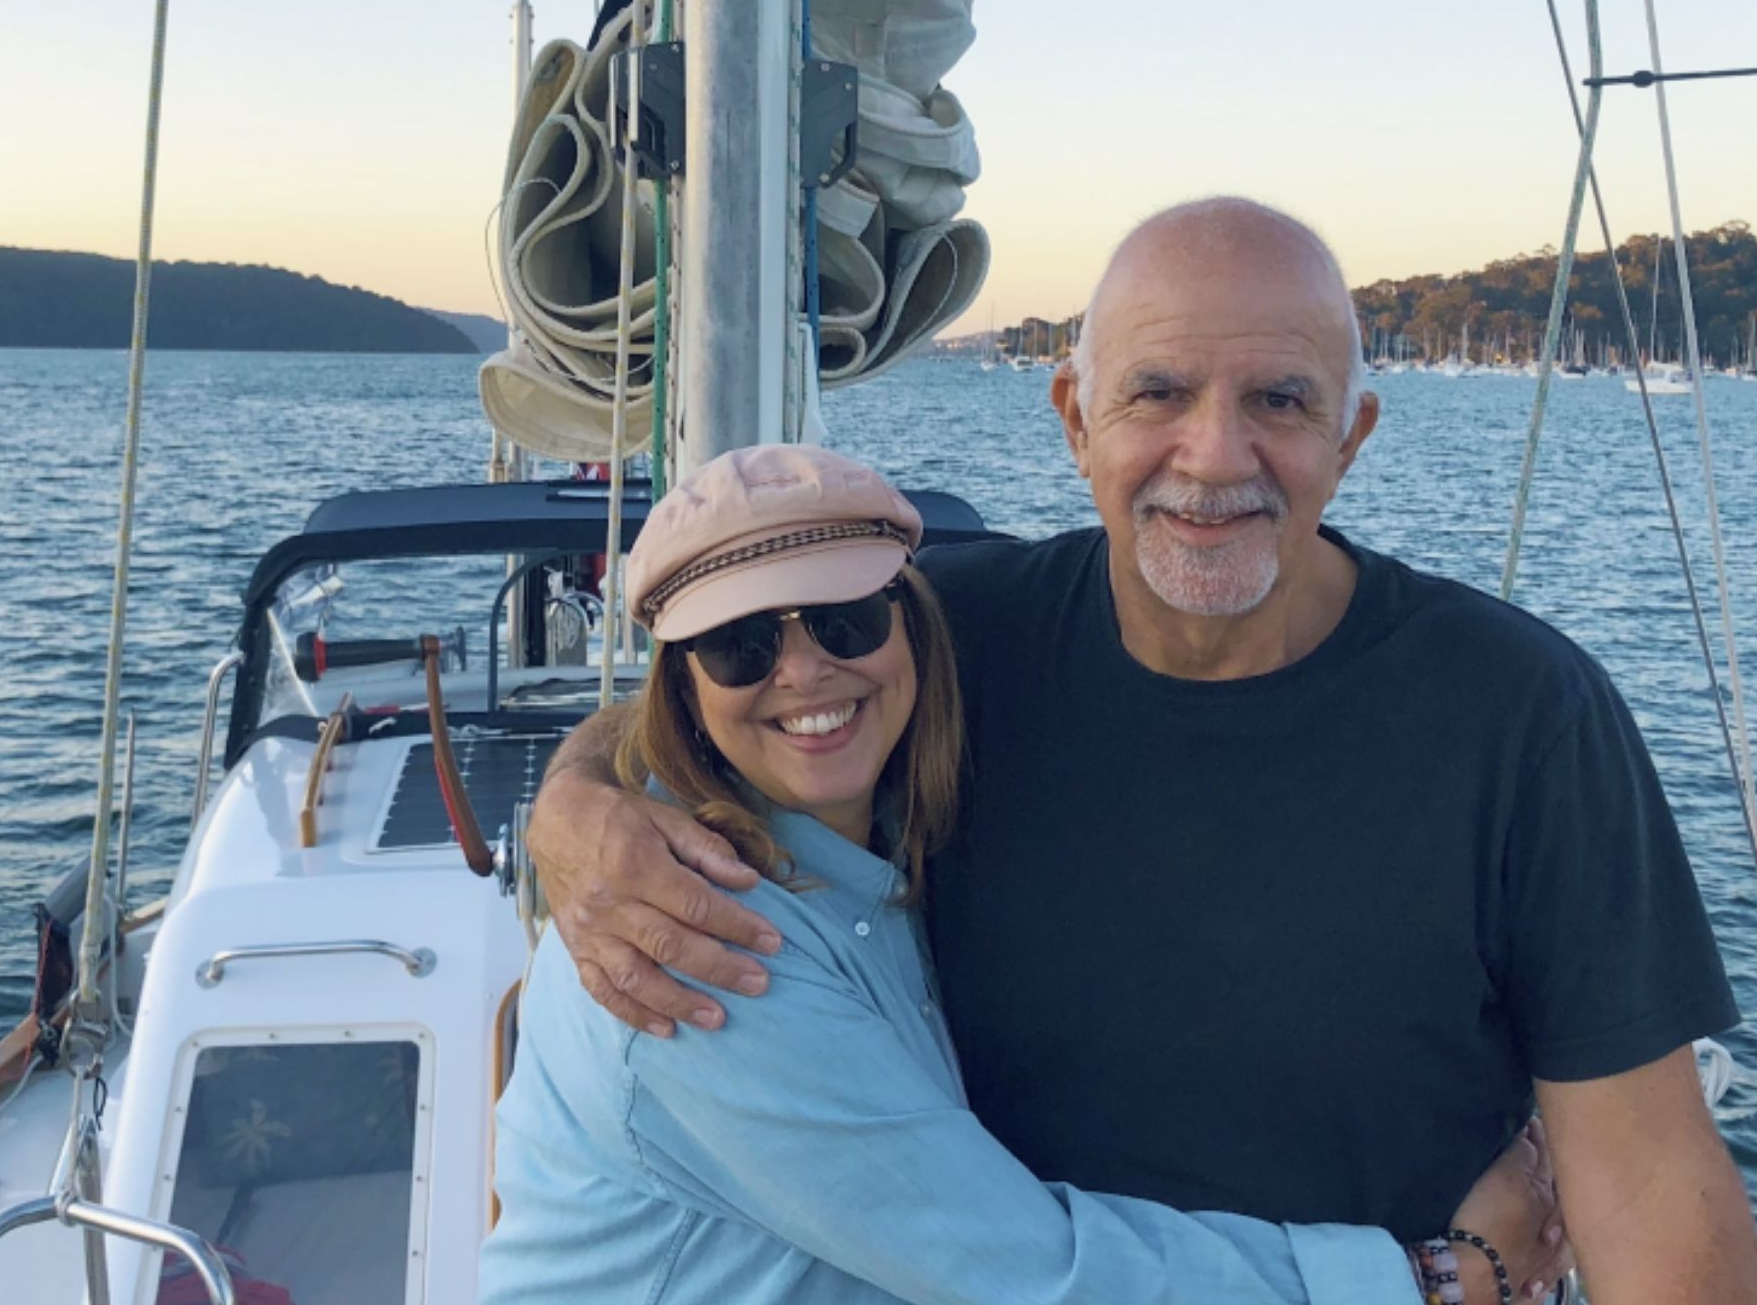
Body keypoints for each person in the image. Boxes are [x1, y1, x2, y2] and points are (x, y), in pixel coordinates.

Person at [526, 199, 1757, 1303]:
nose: (1214, 457)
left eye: (1280, 401)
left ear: (1353, 437)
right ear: (1076, 419)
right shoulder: (951, 637)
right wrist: (575, 801)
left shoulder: (1519, 711)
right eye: (1158, 393)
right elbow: (718, 691)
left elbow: (1647, 1163)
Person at [481, 443, 1564, 1304]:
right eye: (740, 648)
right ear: (684, 684)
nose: (805, 671)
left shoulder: (879, 829)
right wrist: (1423, 1282)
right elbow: (1022, 1272)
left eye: (847, 618)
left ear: (914, 620)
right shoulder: (696, 945)